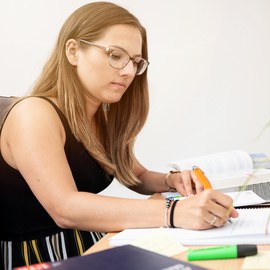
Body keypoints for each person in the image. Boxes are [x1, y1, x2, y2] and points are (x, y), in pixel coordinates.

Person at [0, 2, 238, 269]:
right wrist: (174, 212)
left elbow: (134, 174)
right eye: (115, 55)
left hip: (90, 242)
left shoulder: (98, 116)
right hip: (34, 256)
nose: (128, 71)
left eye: (136, 62)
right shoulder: (34, 114)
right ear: (73, 51)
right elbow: (65, 208)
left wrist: (172, 181)